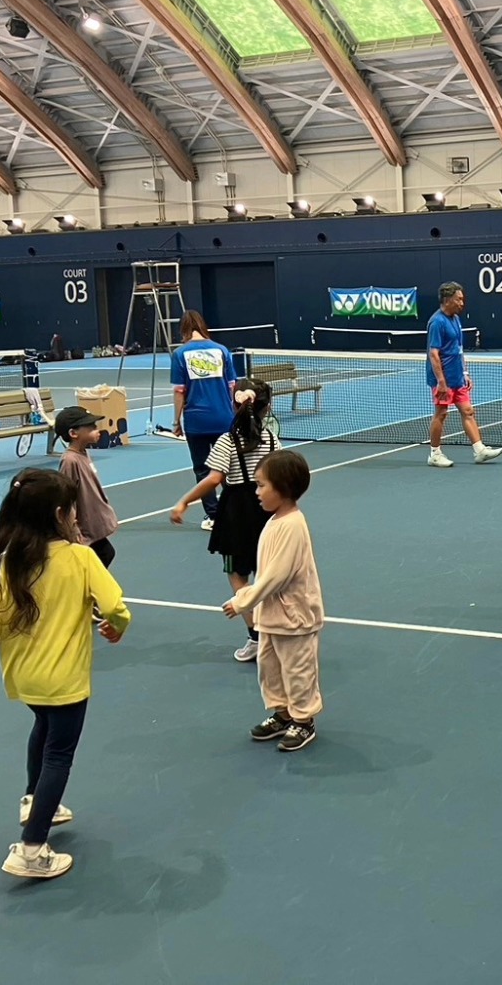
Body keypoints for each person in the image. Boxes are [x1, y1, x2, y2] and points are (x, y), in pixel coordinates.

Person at [0, 469, 130, 880]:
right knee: (59, 754)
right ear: (60, 514)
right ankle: (32, 848)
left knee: (42, 727)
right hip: (66, 681)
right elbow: (114, 605)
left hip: (25, 680)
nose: (76, 516)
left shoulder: (10, 564)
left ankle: (33, 800)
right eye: (72, 510)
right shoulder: (81, 558)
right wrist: (118, 625)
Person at [171, 380, 279, 663]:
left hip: (235, 517)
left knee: (237, 575)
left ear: (233, 405)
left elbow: (214, 479)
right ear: (267, 408)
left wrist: (184, 501)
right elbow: (280, 476)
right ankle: (275, 632)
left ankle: (256, 637)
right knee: (267, 575)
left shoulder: (227, 441)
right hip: (266, 513)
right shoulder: (270, 439)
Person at [226, 450, 325, 753]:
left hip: (295, 617)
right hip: (271, 617)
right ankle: (283, 714)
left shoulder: (292, 525)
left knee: (297, 671)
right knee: (269, 669)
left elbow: (276, 576)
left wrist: (243, 599)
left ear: (283, 488)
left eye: (261, 485)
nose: (256, 492)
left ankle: (303, 719)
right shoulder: (273, 521)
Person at [171, 311, 235, 530]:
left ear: (183, 329)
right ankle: (234, 510)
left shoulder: (179, 354)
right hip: (224, 420)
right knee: (228, 468)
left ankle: (214, 516)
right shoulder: (222, 350)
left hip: (196, 422)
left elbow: (179, 391)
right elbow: (232, 386)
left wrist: (176, 422)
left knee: (203, 469)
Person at [427, 282, 502, 468]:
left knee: (468, 411)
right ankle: (434, 454)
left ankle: (479, 450)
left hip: (457, 377)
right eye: (459, 299)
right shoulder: (437, 322)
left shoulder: (455, 319)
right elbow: (433, 354)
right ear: (447, 300)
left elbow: (458, 349)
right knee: (441, 414)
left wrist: (465, 373)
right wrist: (441, 382)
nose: (462, 303)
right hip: (443, 379)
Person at [54, 407, 119, 567]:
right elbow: (66, 498)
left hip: (91, 525)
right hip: (82, 530)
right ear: (73, 433)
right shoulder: (70, 461)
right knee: (101, 556)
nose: (97, 430)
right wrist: (73, 529)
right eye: (91, 427)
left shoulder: (84, 453)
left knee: (106, 554)